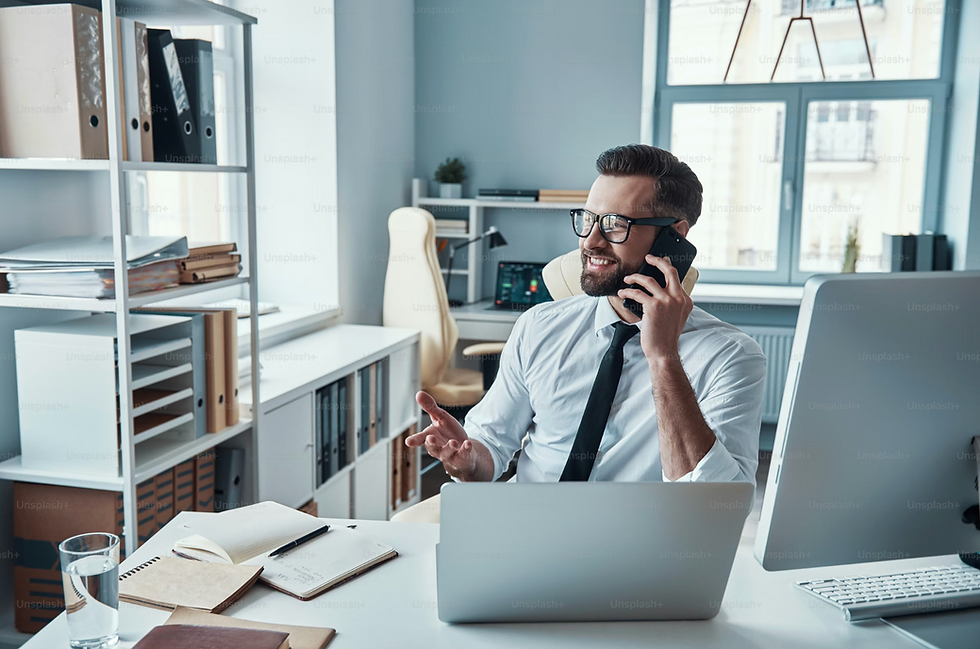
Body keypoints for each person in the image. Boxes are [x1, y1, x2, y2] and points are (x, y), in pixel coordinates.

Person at [405, 144, 765, 490]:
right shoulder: (539, 326)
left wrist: (664, 358)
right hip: (530, 521)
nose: (590, 242)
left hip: (636, 533)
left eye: (615, 224)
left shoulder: (731, 356)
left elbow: (714, 503)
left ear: (674, 236)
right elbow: (490, 447)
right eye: (588, 219)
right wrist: (467, 460)